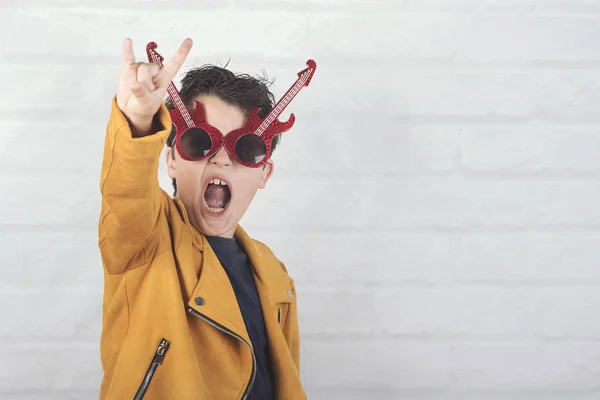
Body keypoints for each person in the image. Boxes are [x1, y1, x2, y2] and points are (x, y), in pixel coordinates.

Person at [97, 37, 308, 399]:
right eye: (199, 142)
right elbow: (126, 194)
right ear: (172, 161)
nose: (222, 160)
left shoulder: (276, 276)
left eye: (247, 148)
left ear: (264, 174)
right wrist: (137, 119)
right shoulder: (145, 242)